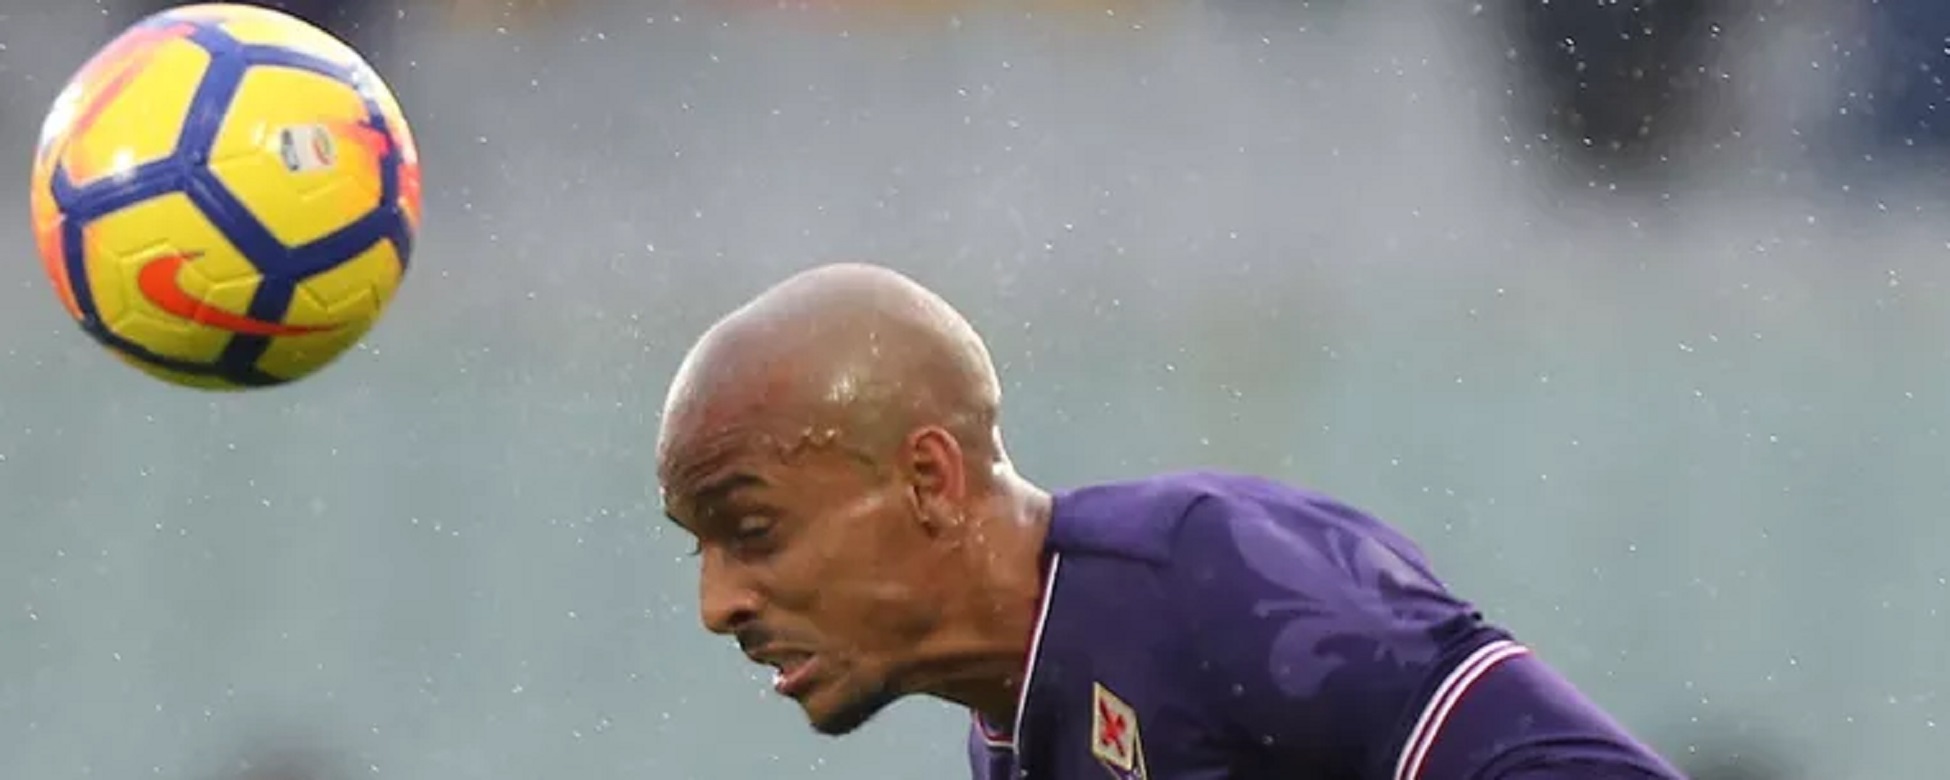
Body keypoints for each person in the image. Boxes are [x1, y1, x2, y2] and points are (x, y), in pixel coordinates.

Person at [655, 263, 1683, 778]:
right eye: (700, 550)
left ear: (929, 479)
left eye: (755, 532)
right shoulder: (1011, 740)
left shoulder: (1208, 577)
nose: (716, 604)